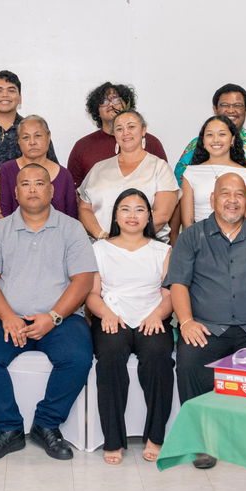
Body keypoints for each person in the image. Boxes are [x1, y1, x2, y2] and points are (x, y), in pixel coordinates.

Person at [0, 164, 97, 462]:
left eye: (39, 183)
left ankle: (47, 423)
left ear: (51, 190)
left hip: (61, 319)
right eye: (25, 184)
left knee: (78, 357)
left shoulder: (72, 228)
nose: (31, 189)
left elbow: (83, 280)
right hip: (9, 318)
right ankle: (9, 428)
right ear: (15, 193)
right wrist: (7, 316)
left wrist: (53, 317)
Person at [166, 173, 246, 470]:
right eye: (225, 194)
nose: (232, 200)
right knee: (189, 360)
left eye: (239, 195)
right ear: (212, 199)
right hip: (208, 327)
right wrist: (185, 322)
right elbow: (179, 284)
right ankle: (202, 441)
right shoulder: (192, 236)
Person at [85, 189, 174, 465]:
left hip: (152, 316)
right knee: (110, 357)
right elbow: (91, 294)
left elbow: (170, 294)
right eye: (125, 209)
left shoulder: (163, 250)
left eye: (139, 209)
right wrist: (106, 314)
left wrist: (158, 315)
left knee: (158, 358)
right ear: (115, 215)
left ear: (149, 216)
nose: (132, 215)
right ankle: (113, 439)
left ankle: (155, 436)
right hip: (113, 316)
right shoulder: (99, 249)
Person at [170, 83, 246, 222]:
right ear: (215, 109)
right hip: (200, 234)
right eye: (225, 105)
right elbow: (177, 192)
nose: (231, 110)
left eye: (237, 105)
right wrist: (174, 236)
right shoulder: (197, 144)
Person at [77, 110, 178, 240]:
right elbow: (84, 208)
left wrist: (126, 241)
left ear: (143, 130)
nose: (125, 132)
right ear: (114, 134)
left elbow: (162, 215)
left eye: (131, 126)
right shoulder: (99, 168)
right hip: (101, 247)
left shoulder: (160, 167)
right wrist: (102, 236)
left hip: (146, 248)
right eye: (119, 129)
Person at [67, 82, 167, 186]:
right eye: (103, 101)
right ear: (96, 110)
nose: (111, 104)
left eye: (116, 99)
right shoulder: (82, 146)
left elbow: (164, 182)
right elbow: (73, 190)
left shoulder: (151, 142)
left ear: (127, 103)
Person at [178, 116, 246, 227]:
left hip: (239, 241)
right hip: (199, 240)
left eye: (222, 134)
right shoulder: (191, 173)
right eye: (210, 135)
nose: (216, 140)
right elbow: (188, 223)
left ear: (232, 140)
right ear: (203, 141)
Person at [0, 115, 78, 219]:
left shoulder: (64, 175)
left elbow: (72, 217)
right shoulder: (7, 170)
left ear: (48, 136)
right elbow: (2, 215)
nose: (32, 142)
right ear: (18, 141)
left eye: (38, 136)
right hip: (14, 234)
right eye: (25, 137)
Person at [0, 70, 58, 166]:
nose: (5, 95)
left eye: (11, 90)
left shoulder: (33, 129)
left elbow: (53, 168)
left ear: (20, 98)